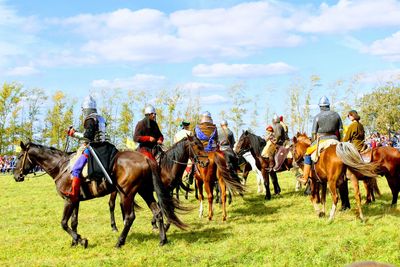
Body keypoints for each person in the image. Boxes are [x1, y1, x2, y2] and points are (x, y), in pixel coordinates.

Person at [65, 95, 108, 201]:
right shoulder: (100, 118)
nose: (83, 112)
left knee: (76, 169)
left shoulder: (90, 119)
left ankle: (74, 193)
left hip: (92, 147)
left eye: (83, 110)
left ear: (86, 109)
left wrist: (73, 133)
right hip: (103, 146)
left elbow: (87, 136)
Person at [301, 96, 343, 184]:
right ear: (328, 105)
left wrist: (313, 143)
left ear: (320, 106)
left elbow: (313, 132)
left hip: (322, 140)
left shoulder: (317, 116)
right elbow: (340, 130)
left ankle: (305, 177)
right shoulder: (336, 115)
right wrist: (340, 141)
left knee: (308, 153)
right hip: (335, 139)